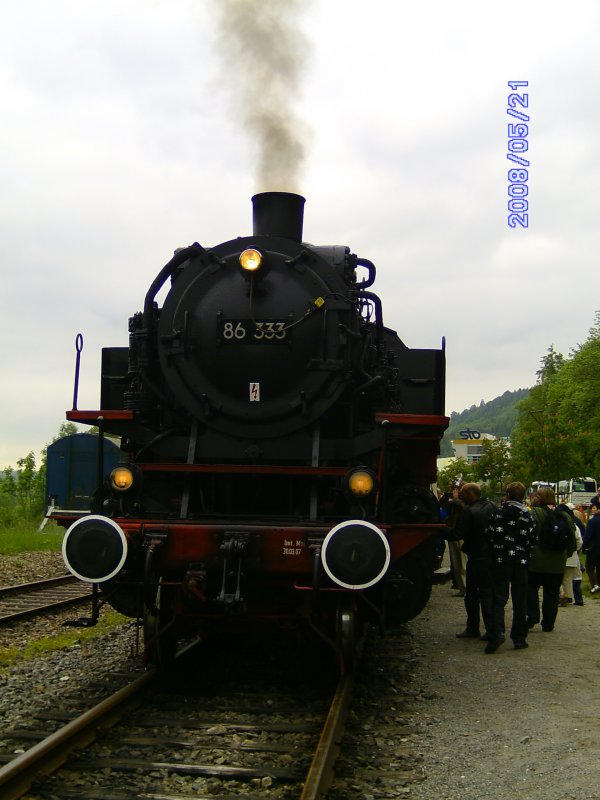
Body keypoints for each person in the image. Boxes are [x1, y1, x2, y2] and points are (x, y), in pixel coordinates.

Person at [485, 482, 536, 653]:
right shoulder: (527, 515)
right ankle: (519, 637)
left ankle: (497, 632)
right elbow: (533, 538)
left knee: (499, 598)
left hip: (501, 560)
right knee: (520, 600)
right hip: (521, 562)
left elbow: (490, 534)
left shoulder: (498, 514)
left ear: (507, 494)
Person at [447, 483, 496, 639]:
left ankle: (473, 627)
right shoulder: (491, 506)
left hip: (476, 557)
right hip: (490, 555)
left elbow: (457, 533)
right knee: (488, 593)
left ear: (469, 494)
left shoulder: (469, 512)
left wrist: (440, 530)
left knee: (472, 595)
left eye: (463, 494)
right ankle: (491, 628)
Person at [527, 487, 577, 632]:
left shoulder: (534, 514)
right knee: (552, 593)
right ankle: (548, 623)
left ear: (538, 497)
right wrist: (563, 555)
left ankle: (532, 615)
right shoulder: (565, 516)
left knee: (531, 589)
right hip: (557, 562)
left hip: (536, 561)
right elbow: (572, 542)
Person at [557, 504, 583, 606]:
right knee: (567, 578)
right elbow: (580, 541)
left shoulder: (557, 524)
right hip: (572, 556)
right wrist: (574, 550)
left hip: (559, 555)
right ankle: (568, 597)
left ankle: (561, 594)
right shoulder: (574, 526)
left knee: (558, 577)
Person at [582, 505, 600, 593]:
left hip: (593, 548)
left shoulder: (592, 521)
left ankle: (595, 586)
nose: (593, 510)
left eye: (594, 508)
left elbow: (587, 536)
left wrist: (584, 546)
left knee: (589, 568)